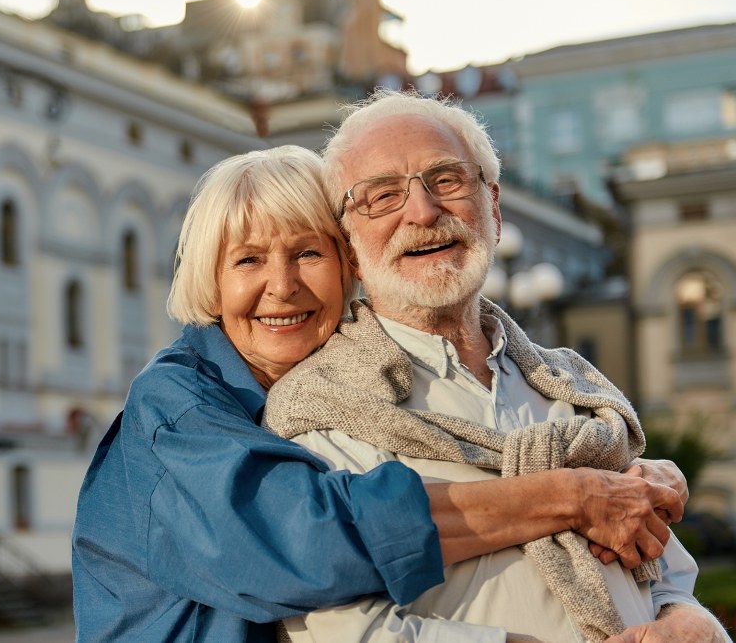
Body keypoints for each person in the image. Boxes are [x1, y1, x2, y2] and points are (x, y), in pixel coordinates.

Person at [70, 145, 688, 643]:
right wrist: (568, 495)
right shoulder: (176, 408)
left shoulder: (348, 393)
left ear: (349, 266)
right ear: (208, 280)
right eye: (248, 261)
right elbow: (310, 543)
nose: (281, 287)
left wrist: (619, 479)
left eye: (308, 253)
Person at [264, 89, 730, 643]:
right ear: (349, 245)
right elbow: (343, 630)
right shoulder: (318, 408)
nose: (422, 211)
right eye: (382, 196)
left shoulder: (572, 384)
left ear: (495, 209)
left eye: (447, 181)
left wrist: (689, 619)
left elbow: (663, 568)